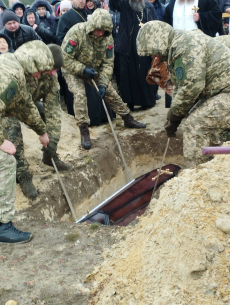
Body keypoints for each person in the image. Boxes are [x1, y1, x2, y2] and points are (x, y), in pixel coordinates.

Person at [137, 21, 230, 167]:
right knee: (194, 116)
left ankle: (195, 175)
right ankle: (213, 164)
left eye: (152, 51)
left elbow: (191, 87)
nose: (153, 56)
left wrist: (175, 116)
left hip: (226, 91)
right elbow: (181, 85)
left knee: (195, 125)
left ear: (158, 40)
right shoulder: (176, 47)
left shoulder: (184, 46)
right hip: (219, 90)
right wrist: (175, 113)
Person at [62, 8, 146, 150]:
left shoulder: (107, 38)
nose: (100, 33)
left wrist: (102, 84)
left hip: (94, 69)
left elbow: (108, 63)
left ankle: (127, 118)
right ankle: (84, 130)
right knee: (80, 95)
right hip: (73, 70)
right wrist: (82, 70)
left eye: (104, 31)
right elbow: (65, 58)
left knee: (110, 92)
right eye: (98, 30)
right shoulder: (76, 32)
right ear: (92, 26)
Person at [2, 41, 71, 199]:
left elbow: (52, 108)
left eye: (57, 70)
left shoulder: (51, 77)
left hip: (28, 106)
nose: (54, 73)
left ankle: (50, 156)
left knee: (44, 113)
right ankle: (23, 175)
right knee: (12, 131)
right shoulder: (19, 71)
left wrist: (51, 141)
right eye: (52, 69)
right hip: (7, 109)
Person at [0, 45, 52, 243]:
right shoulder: (11, 76)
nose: (39, 75)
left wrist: (42, 131)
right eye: (39, 70)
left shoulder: (16, 68)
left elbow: (26, 104)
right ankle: (3, 226)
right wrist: (1, 142)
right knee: (6, 161)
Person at [109, 0, 158, 111]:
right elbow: (113, 3)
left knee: (144, 74)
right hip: (128, 47)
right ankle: (129, 102)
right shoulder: (124, 4)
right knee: (129, 75)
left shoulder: (149, 6)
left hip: (145, 47)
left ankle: (147, 101)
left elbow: (156, 25)